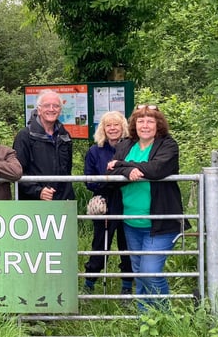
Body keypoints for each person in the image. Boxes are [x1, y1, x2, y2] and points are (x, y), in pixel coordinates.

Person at [106, 104, 188, 311]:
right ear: (134, 124)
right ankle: (145, 317)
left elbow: (157, 169)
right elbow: (110, 176)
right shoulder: (126, 144)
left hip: (160, 222)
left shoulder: (168, 145)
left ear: (158, 124)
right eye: (140, 121)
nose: (145, 125)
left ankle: (165, 316)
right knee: (139, 271)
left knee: (149, 272)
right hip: (132, 221)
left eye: (150, 121)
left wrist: (123, 166)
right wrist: (124, 170)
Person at [83, 112, 133, 294]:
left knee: (126, 245)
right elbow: (88, 180)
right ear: (103, 129)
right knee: (100, 244)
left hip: (127, 201)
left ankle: (127, 286)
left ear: (123, 127)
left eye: (116, 125)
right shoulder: (95, 151)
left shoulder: (131, 148)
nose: (112, 129)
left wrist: (113, 179)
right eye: (108, 126)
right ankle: (89, 283)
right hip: (104, 202)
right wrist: (109, 182)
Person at [13, 90, 74, 201]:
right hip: (34, 203)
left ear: (60, 110)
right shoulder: (25, 136)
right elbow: (17, 172)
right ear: (39, 109)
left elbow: (67, 170)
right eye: (47, 105)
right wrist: (38, 191)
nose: (51, 109)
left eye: (55, 106)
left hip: (63, 201)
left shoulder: (65, 136)